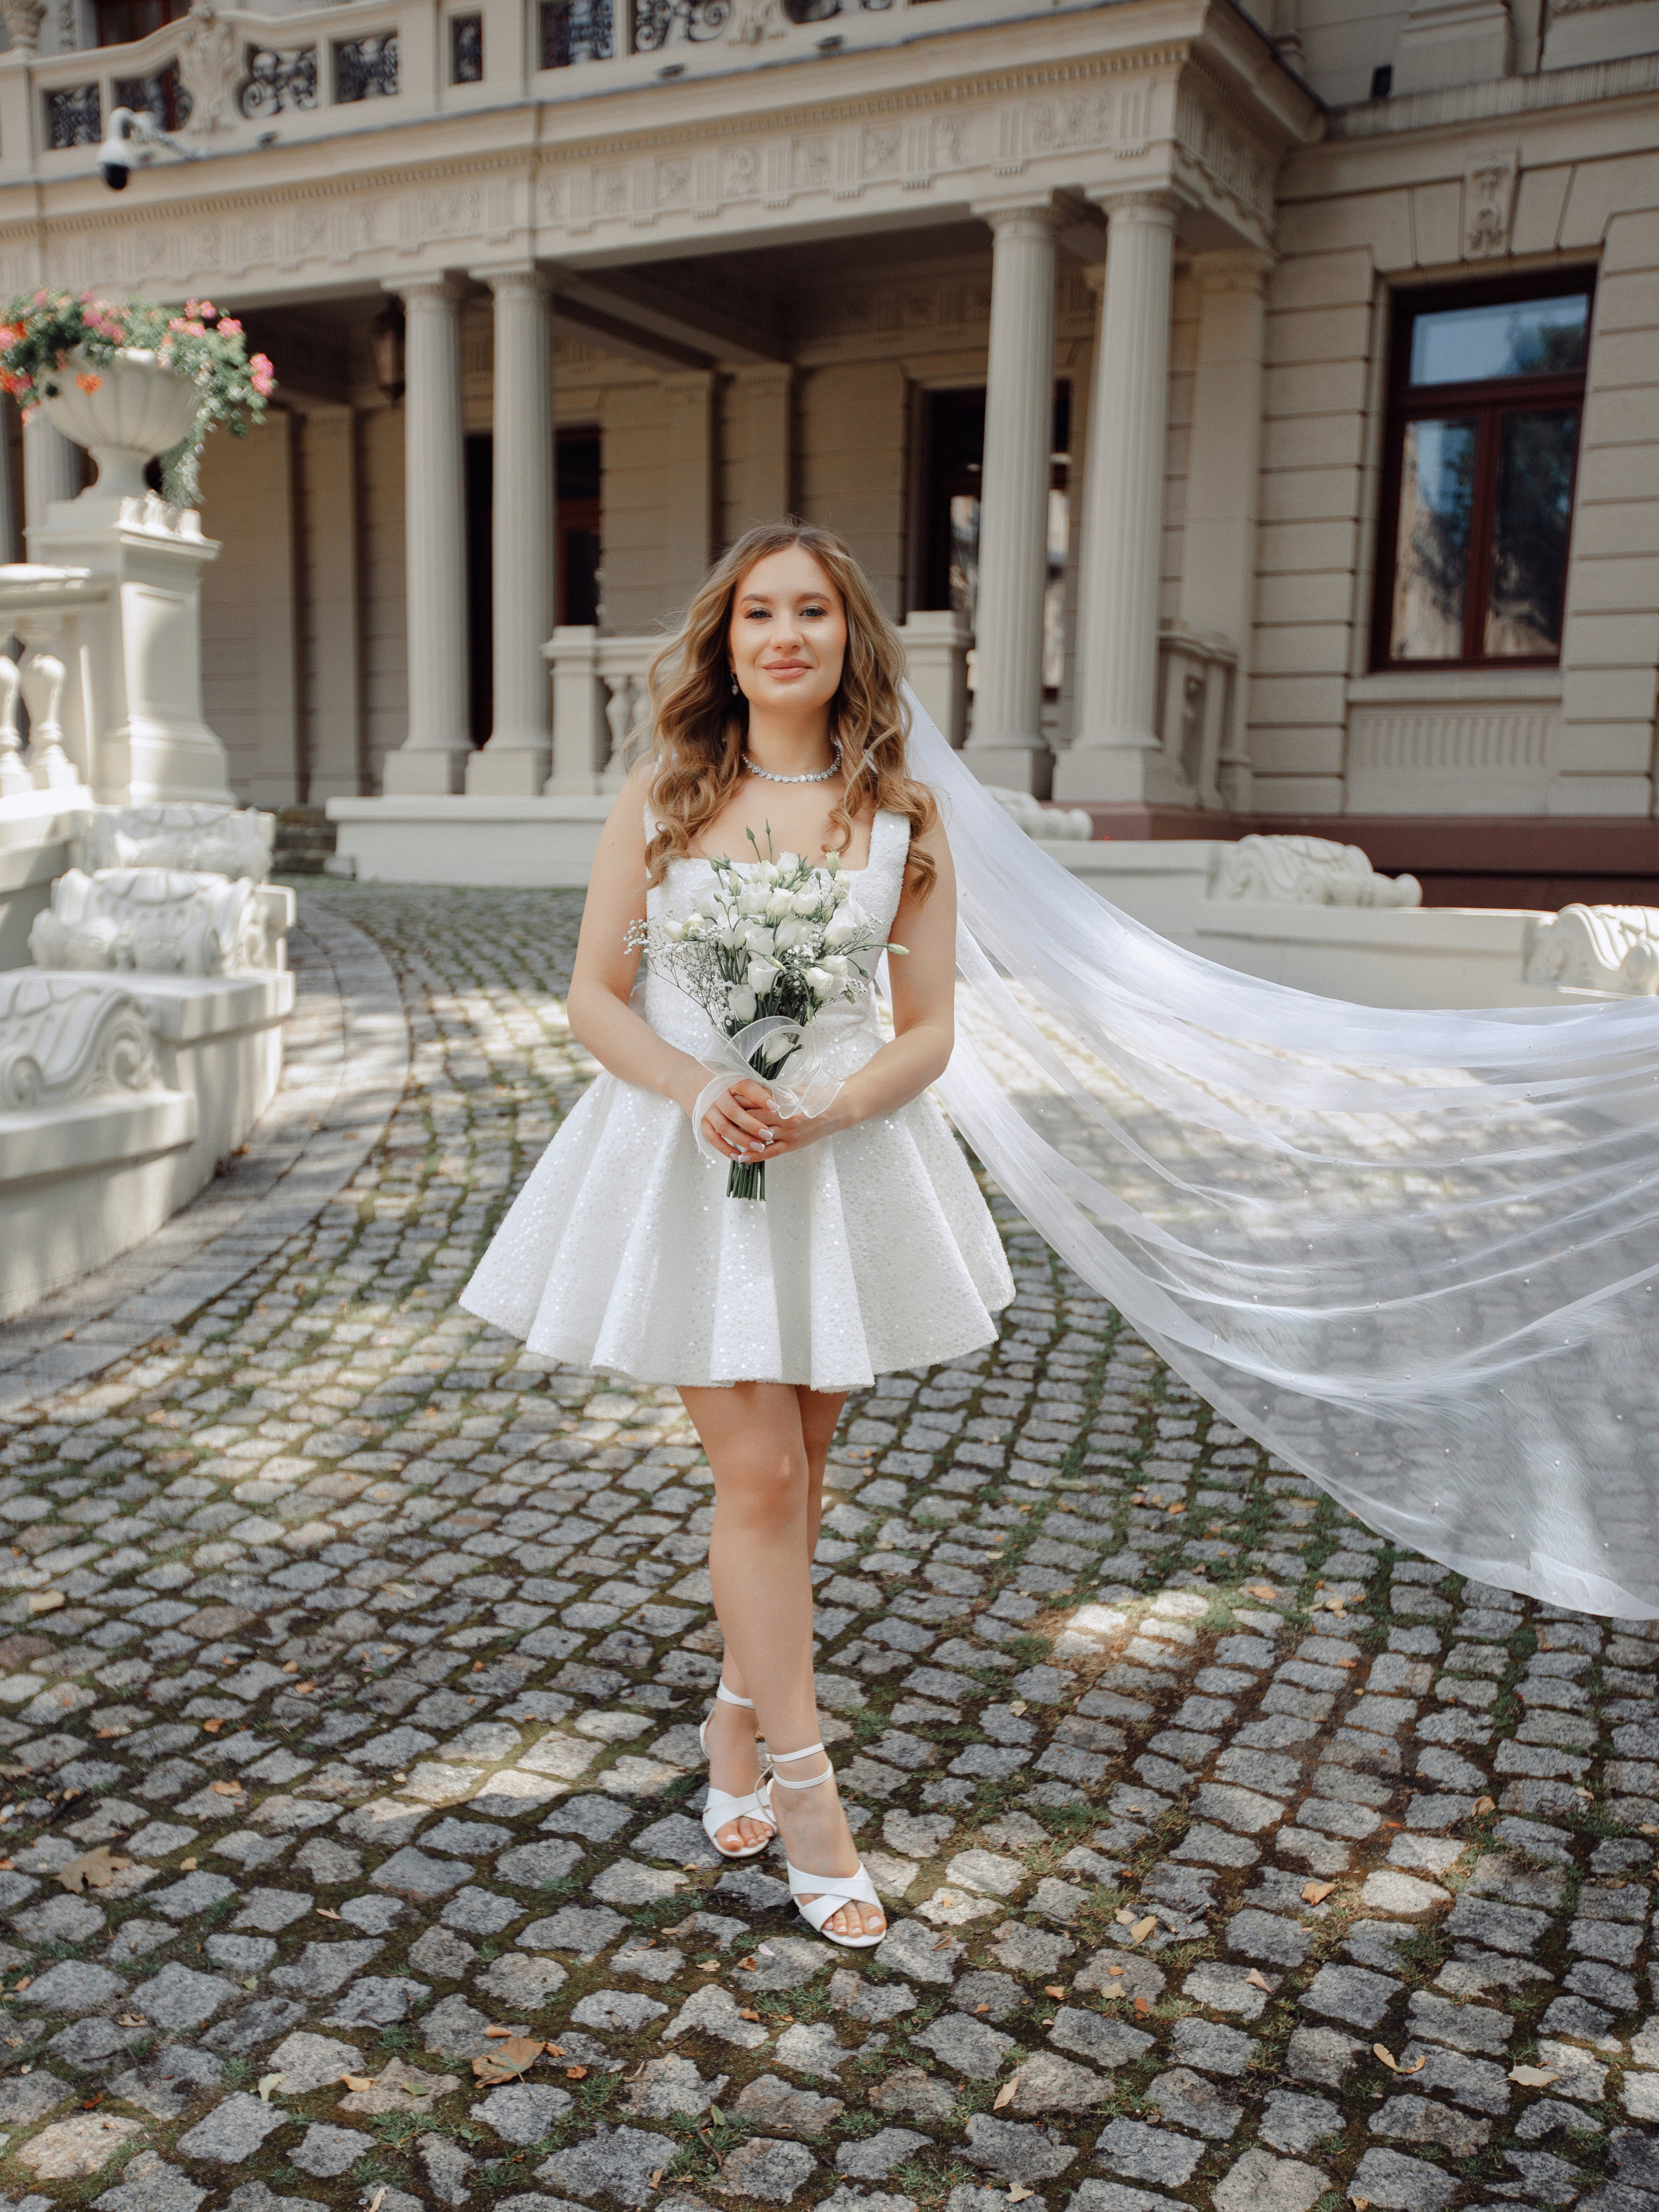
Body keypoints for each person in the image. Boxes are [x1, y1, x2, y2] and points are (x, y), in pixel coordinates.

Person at [462, 522, 1014, 1946]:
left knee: (805, 1464)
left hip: (842, 1162)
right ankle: (809, 1787)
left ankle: (730, 1716)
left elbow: (932, 1026)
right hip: (690, 1155)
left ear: (849, 637)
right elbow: (593, 994)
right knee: (759, 1470)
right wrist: (700, 1083)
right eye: (758, 612)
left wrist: (825, 1113)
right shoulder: (664, 794)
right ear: (723, 638)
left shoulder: (901, 812)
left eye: (813, 612)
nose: (785, 635)